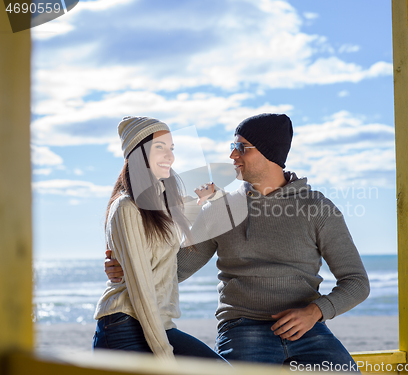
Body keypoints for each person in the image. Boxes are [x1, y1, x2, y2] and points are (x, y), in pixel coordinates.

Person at [106, 113, 369, 371]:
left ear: (269, 152)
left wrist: (315, 312)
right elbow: (175, 270)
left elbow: (356, 281)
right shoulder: (222, 209)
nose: (232, 155)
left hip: (309, 331)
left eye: (240, 147)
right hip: (243, 329)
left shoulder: (318, 208)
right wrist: (128, 266)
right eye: (232, 147)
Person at [93, 116, 226, 363]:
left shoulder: (166, 204)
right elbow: (142, 290)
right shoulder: (126, 208)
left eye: (171, 148)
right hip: (125, 326)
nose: (170, 156)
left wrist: (213, 195)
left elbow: (216, 206)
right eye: (160, 147)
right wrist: (165, 355)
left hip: (158, 326)